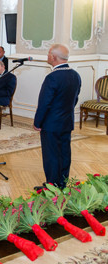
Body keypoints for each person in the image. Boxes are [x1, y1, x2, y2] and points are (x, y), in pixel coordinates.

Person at [33, 44, 81, 189]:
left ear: (53, 57)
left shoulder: (52, 77)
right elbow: (75, 100)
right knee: (64, 153)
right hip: (67, 121)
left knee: (51, 155)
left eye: (48, 54)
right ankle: (62, 183)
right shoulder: (75, 75)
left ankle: (52, 186)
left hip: (51, 124)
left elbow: (44, 104)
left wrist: (37, 123)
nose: (47, 56)